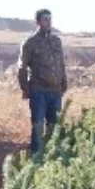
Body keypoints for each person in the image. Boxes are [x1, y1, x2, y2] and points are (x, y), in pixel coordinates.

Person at [17, 8, 67, 153]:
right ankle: (36, 159)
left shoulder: (56, 41)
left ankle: (52, 159)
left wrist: (64, 83)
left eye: (50, 19)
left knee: (55, 127)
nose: (49, 22)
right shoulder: (30, 43)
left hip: (55, 91)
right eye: (45, 19)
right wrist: (26, 90)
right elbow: (22, 68)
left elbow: (61, 64)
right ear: (37, 22)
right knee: (38, 127)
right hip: (39, 91)